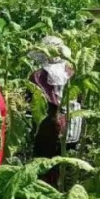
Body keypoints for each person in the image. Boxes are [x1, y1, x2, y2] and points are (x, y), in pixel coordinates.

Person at [28, 36, 82, 186]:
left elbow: (32, 102)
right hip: (73, 124)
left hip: (49, 127)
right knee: (66, 161)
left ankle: (48, 188)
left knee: (45, 162)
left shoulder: (38, 76)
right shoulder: (72, 71)